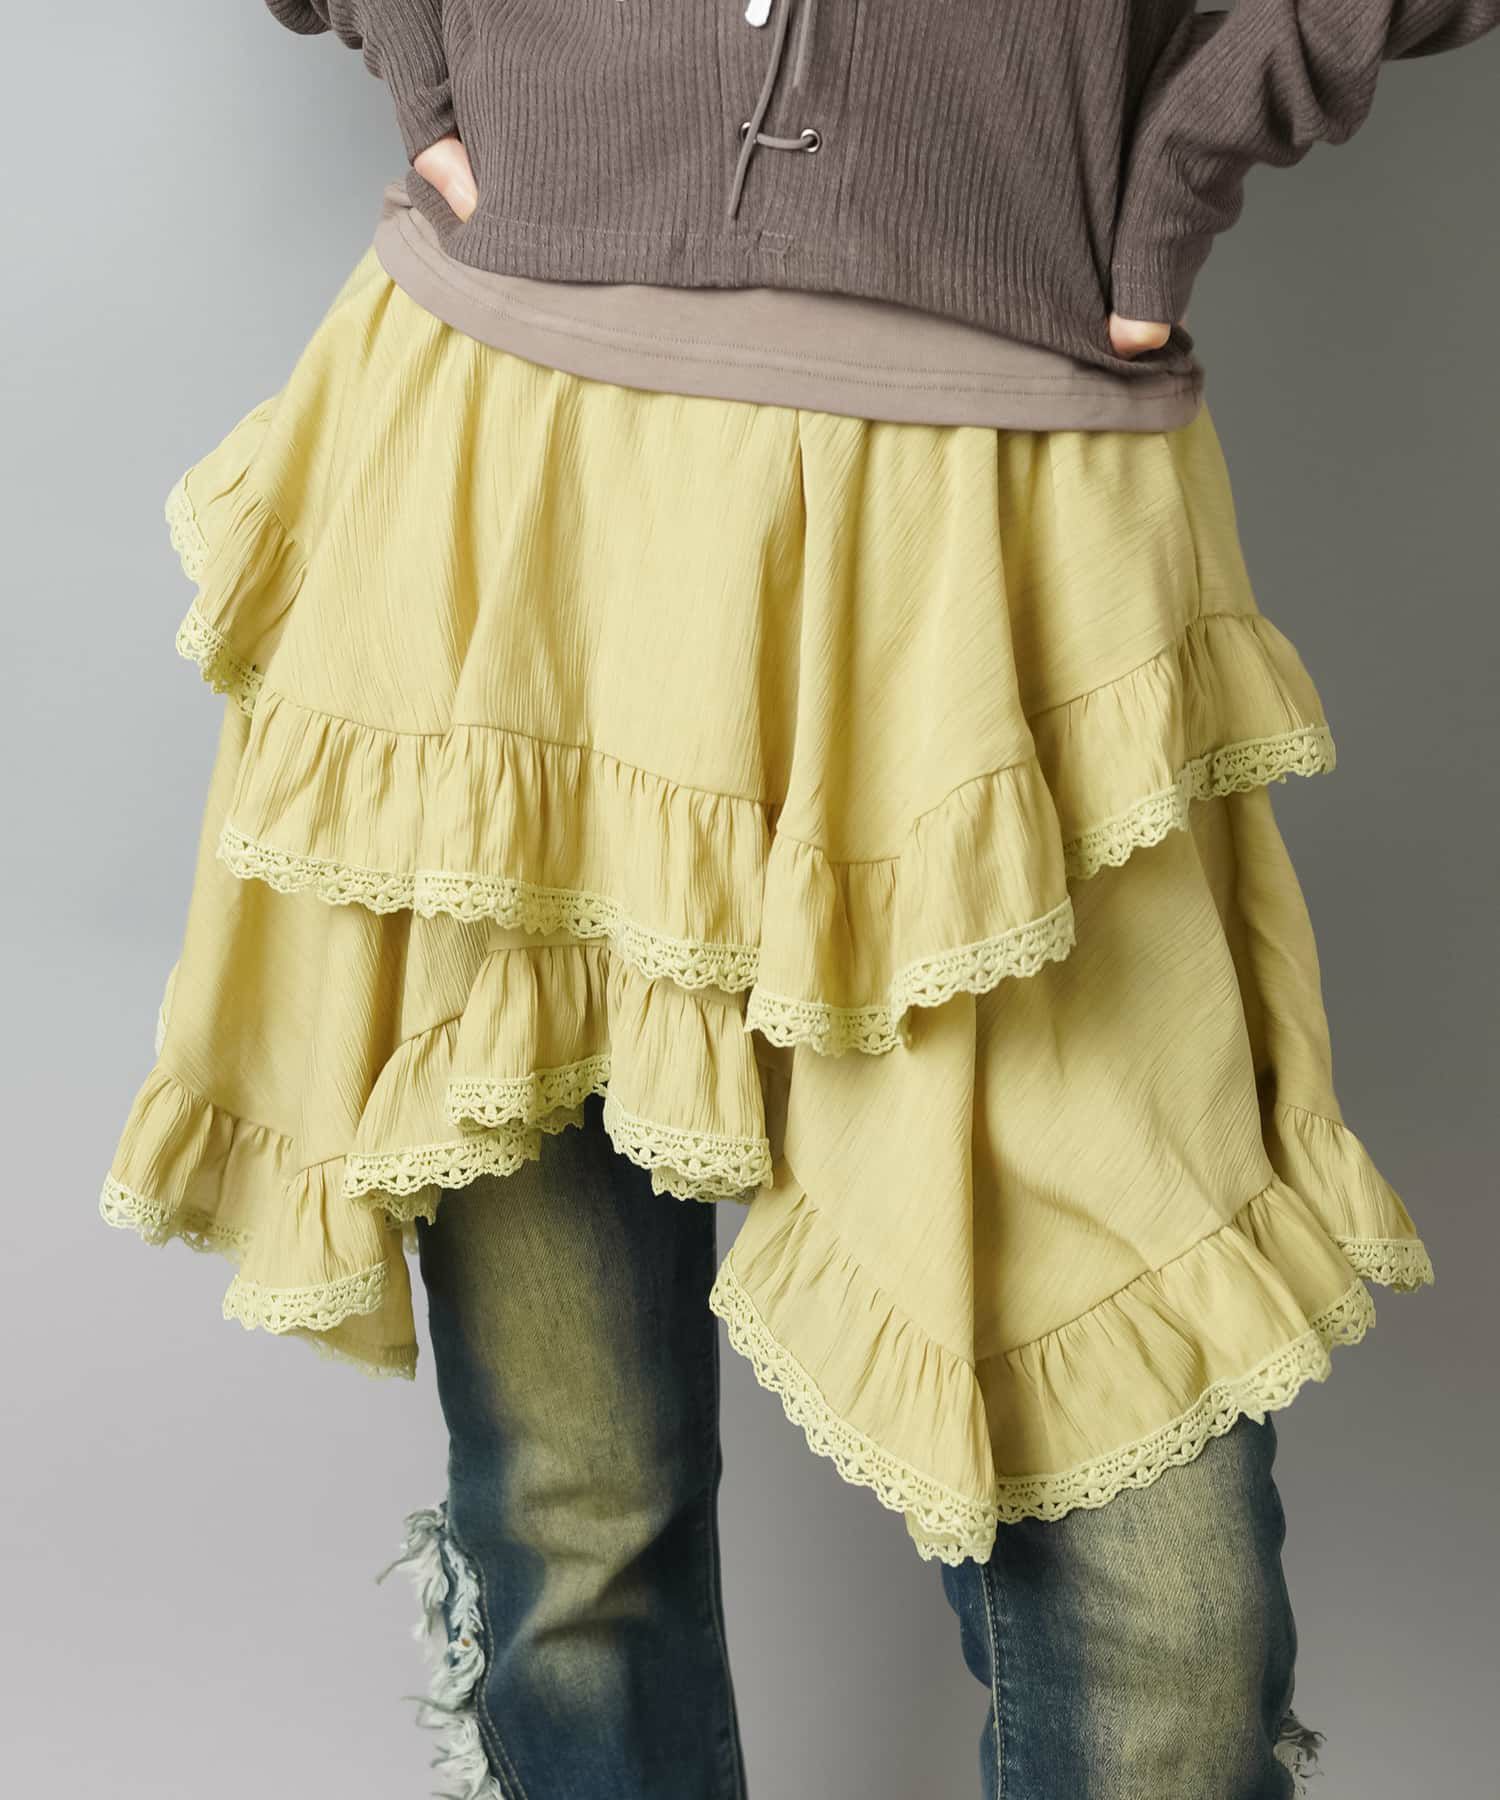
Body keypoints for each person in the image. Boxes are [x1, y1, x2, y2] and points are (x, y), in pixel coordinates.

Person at [101, 4, 1496, 1795]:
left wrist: (1201, 126)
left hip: (983, 524)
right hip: (516, 491)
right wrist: (431, 47)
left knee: (1166, 1634)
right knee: (576, 1522)